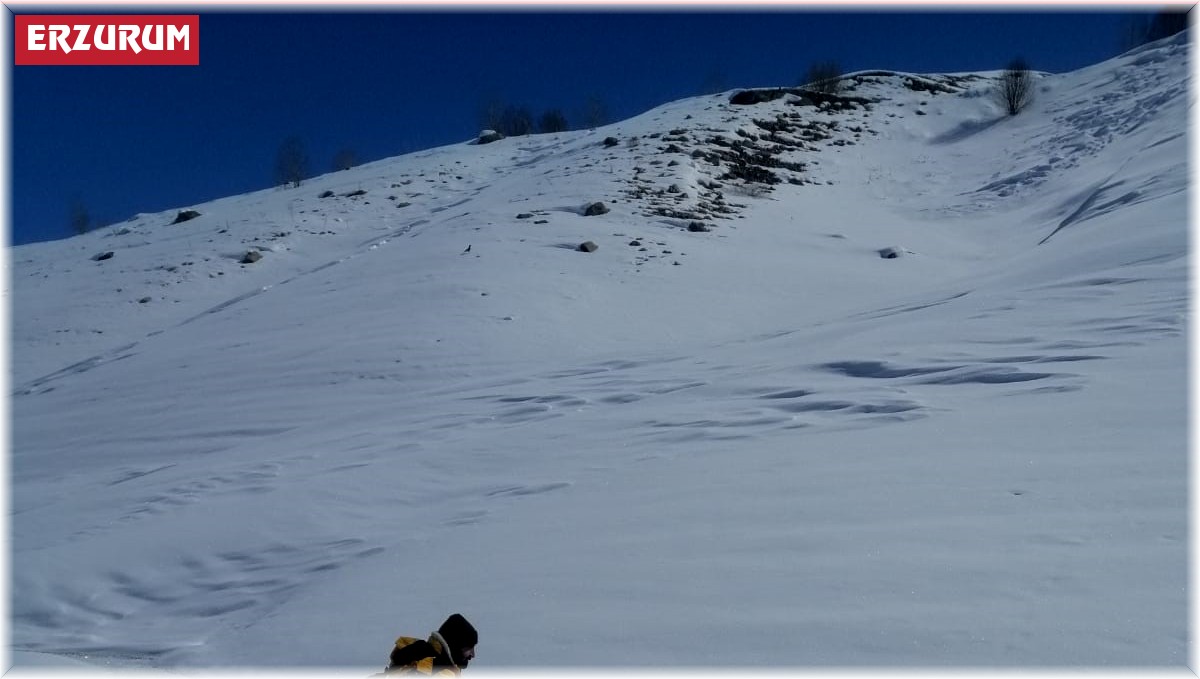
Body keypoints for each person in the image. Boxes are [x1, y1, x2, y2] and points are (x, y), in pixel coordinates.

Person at [385, 613, 478, 675]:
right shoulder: (440, 670)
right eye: (468, 648)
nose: (473, 655)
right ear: (455, 647)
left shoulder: (417, 651)